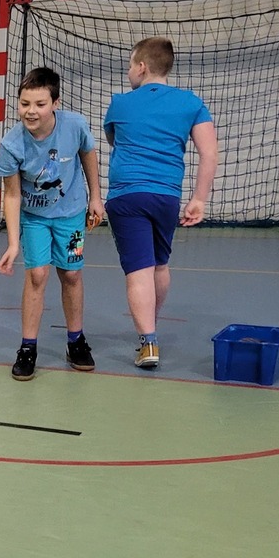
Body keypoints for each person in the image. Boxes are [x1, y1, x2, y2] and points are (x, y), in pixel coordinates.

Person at [103, 36, 218, 369]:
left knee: (138, 270)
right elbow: (209, 153)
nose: (129, 72)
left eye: (130, 66)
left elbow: (114, 140)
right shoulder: (191, 102)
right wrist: (199, 199)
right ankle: (150, 327)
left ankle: (148, 342)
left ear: (141, 67)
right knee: (160, 264)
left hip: (127, 196)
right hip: (166, 196)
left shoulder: (120, 103)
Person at [0, 68, 104, 381]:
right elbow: (12, 195)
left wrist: (96, 197)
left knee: (71, 274)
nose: (31, 111)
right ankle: (28, 347)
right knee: (37, 275)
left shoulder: (75, 126)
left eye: (40, 104)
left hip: (71, 214)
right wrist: (12, 243)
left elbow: (88, 154)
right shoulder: (11, 144)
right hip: (34, 218)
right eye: (25, 103)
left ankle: (76, 341)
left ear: (55, 103)